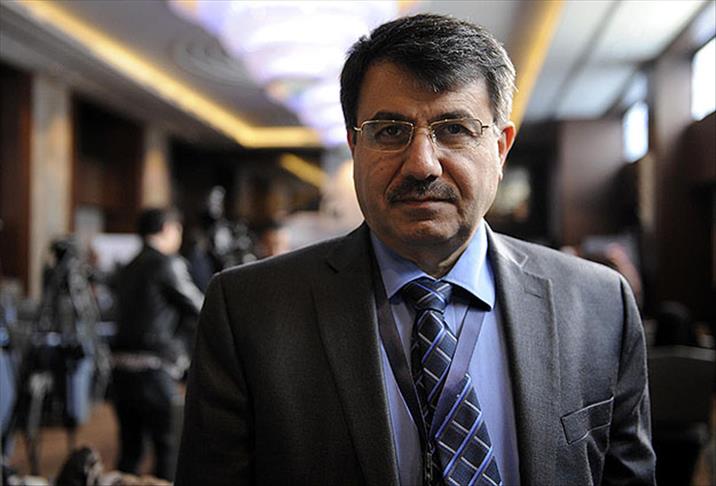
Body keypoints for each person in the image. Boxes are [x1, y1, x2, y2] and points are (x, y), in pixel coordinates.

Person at [176, 14, 655, 486]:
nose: (422, 165)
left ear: (501, 148)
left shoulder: (598, 305)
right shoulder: (249, 311)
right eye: (389, 131)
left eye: (454, 129)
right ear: (354, 147)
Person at [112, 208, 203, 481]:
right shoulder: (167, 264)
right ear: (167, 228)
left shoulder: (128, 266)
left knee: (129, 452)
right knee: (167, 449)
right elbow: (202, 308)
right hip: (154, 370)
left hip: (121, 370)